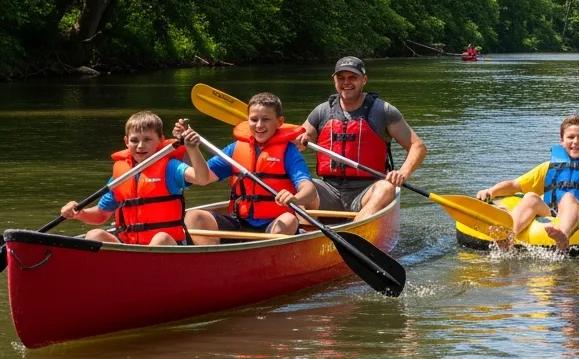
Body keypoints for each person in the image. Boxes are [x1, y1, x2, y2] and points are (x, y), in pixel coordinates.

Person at [475, 113, 579, 253]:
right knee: (530, 197)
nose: (575, 142)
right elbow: (515, 185)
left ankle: (563, 237)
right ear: (562, 141)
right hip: (552, 212)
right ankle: (508, 236)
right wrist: (491, 191)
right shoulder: (548, 167)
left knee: (568, 198)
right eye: (570, 137)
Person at [300, 56, 427, 223]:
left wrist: (402, 173)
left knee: (387, 187)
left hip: (367, 190)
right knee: (301, 188)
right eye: (341, 78)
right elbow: (302, 137)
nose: (346, 82)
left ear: (364, 80)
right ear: (334, 80)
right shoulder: (322, 111)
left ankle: (357, 231)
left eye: (353, 77)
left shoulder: (383, 111)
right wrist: (301, 139)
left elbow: (417, 146)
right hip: (329, 189)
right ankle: (303, 236)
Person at [60, 111, 212, 245]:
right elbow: (101, 215)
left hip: (167, 245)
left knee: (160, 238)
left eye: (147, 139)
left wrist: (192, 148)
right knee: (94, 235)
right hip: (131, 246)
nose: (140, 146)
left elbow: (202, 179)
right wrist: (79, 213)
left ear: (161, 140)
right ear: (126, 142)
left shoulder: (170, 168)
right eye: (134, 140)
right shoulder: (121, 175)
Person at [183, 92, 316, 244]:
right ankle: (213, 262)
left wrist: (295, 198)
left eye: (266, 119)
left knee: (289, 220)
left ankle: (267, 261)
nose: (259, 125)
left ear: (279, 122)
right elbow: (203, 178)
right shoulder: (234, 149)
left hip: (273, 224)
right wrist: (192, 148)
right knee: (194, 217)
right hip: (239, 222)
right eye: (254, 119)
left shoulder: (288, 152)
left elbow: (309, 190)